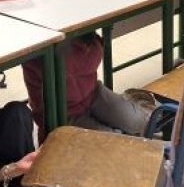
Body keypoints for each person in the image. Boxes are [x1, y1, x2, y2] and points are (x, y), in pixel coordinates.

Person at [23, 32, 155, 142]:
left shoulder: (82, 34)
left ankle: (130, 106)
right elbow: (72, 64)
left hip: (92, 93)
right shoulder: (43, 44)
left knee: (139, 121)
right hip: (62, 113)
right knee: (117, 142)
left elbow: (93, 53)